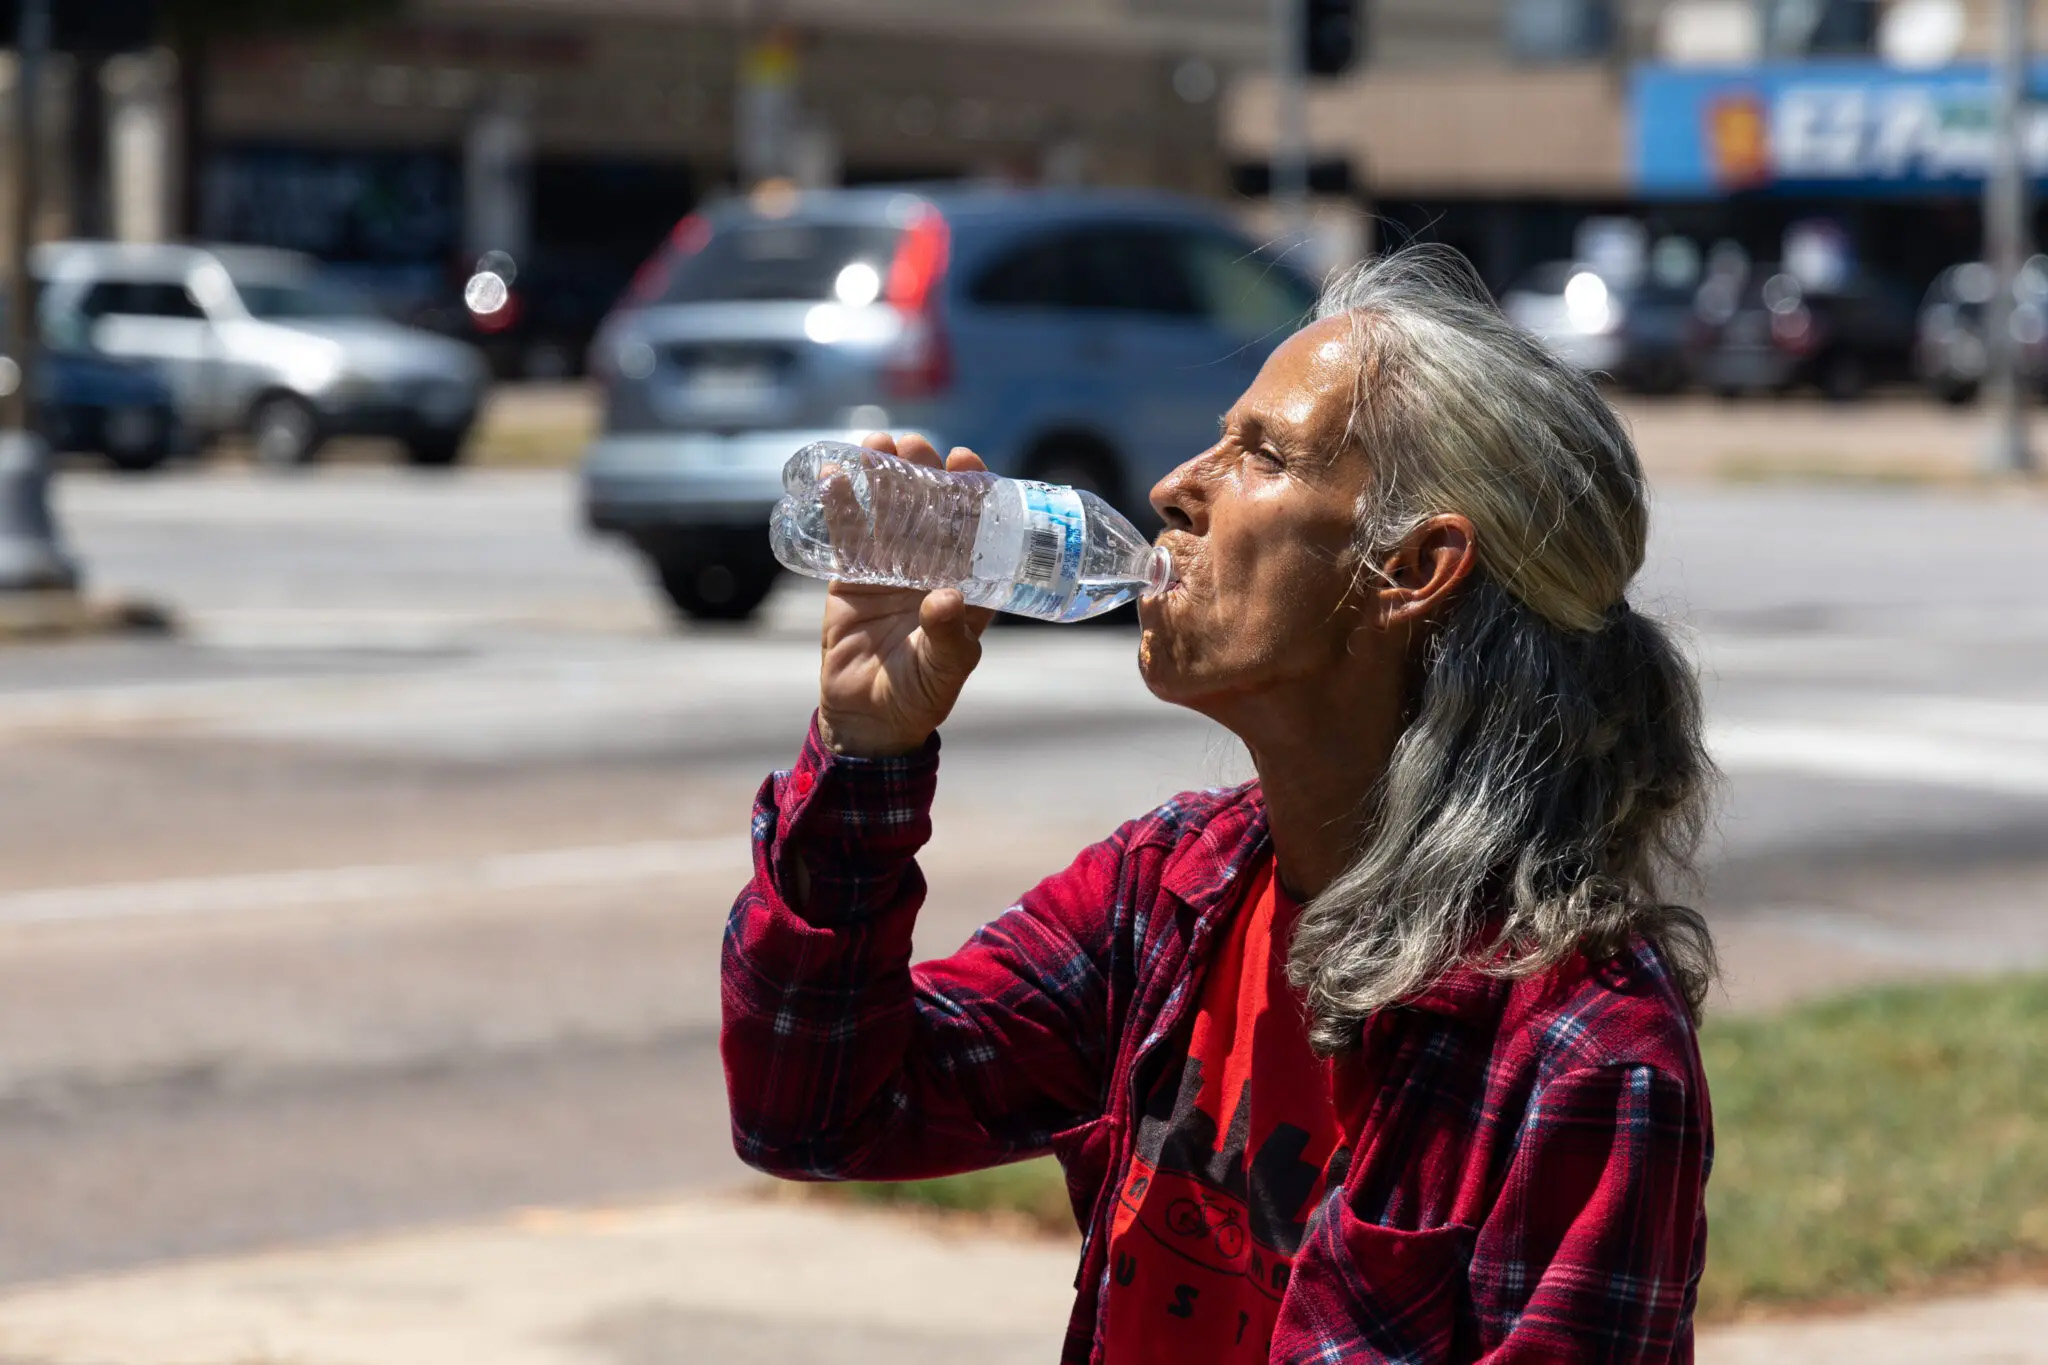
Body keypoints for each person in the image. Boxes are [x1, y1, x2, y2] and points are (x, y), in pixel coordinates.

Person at [722, 246, 1716, 1363]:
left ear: (1412, 568)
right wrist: (867, 752)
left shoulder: (1582, 1058)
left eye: (1260, 454)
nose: (1170, 488)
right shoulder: (1171, 890)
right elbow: (814, 1109)